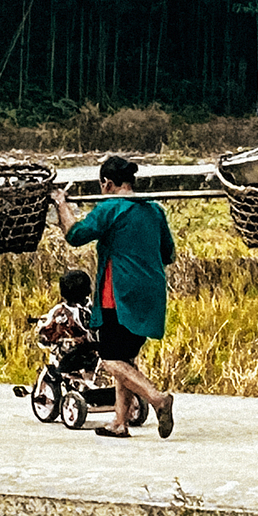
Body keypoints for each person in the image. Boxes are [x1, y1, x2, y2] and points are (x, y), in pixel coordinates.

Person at [50, 154, 175, 439]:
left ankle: (158, 399)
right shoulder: (154, 210)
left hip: (118, 296)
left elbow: (75, 235)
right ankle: (119, 422)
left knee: (110, 359)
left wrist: (61, 204)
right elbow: (167, 253)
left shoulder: (110, 208)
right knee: (125, 358)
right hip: (151, 295)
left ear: (106, 183)